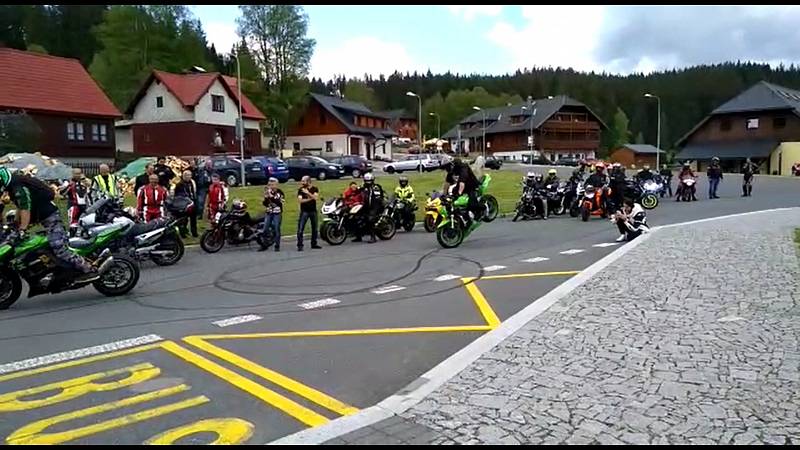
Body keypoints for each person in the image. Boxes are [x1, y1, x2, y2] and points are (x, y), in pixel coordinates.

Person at [0, 167, 99, 282]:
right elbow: (19, 207)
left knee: (59, 248)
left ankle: (89, 269)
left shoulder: (18, 187)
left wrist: (22, 229)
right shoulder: (15, 186)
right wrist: (15, 225)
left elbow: (25, 208)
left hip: (51, 218)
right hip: (43, 219)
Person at [60, 168, 92, 237]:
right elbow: (62, 193)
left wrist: (86, 182)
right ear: (72, 174)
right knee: (73, 223)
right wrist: (70, 185)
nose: (78, 175)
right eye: (76, 174)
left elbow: (91, 188)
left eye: (79, 173)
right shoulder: (68, 182)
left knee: (85, 222)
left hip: (85, 206)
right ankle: (72, 237)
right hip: (74, 205)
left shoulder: (85, 181)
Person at [355, 172, 385, 243]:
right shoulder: (363, 186)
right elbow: (357, 191)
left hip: (375, 206)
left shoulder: (376, 187)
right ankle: (358, 236)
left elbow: (378, 200)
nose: (368, 182)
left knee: (370, 219)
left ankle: (373, 237)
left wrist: (374, 209)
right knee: (356, 216)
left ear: (372, 180)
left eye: (369, 181)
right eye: (366, 181)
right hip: (366, 206)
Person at [259, 177, 284, 252]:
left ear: (276, 185)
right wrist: (266, 198)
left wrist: (271, 196)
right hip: (269, 212)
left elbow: (279, 203)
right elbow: (265, 204)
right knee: (265, 229)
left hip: (277, 213)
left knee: (276, 229)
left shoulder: (280, 192)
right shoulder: (268, 192)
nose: (271, 186)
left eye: (273, 184)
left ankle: (277, 246)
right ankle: (264, 245)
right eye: (270, 184)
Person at [297, 175, 321, 251]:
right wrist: (311, 198)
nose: (302, 183)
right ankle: (300, 245)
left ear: (308, 181)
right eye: (302, 181)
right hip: (304, 211)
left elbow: (316, 198)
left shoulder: (315, 189)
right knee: (300, 229)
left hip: (313, 211)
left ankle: (314, 244)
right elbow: (300, 201)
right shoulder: (301, 190)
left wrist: (308, 193)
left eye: (303, 181)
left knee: (315, 228)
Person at [173, 170, 198, 238]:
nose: (188, 177)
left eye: (190, 175)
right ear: (183, 176)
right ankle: (183, 233)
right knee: (184, 220)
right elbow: (178, 195)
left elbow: (194, 192)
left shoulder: (192, 182)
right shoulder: (179, 184)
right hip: (185, 204)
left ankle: (194, 233)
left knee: (193, 219)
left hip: (192, 202)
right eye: (187, 175)